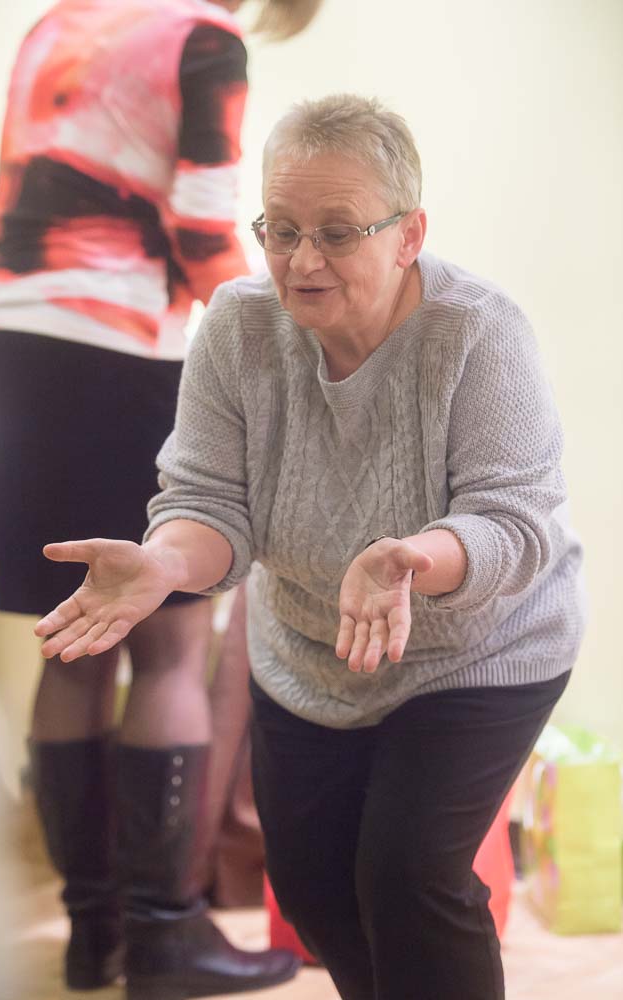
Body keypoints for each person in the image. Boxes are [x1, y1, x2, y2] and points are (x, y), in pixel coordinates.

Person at [32, 93, 586, 1000]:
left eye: (337, 232)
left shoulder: (479, 331)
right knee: (314, 889)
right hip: (308, 652)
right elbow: (210, 502)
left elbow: (516, 522)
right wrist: (166, 563)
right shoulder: (238, 325)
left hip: (482, 648)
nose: (301, 260)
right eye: (280, 230)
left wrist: (415, 558)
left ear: (409, 235)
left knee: (408, 876)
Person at [0, 1, 323, 998]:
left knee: (75, 631)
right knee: (168, 637)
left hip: (4, 336)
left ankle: (96, 938)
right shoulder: (204, 39)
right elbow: (201, 227)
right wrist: (293, 353)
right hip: (113, 335)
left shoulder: (61, 20)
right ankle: (166, 939)